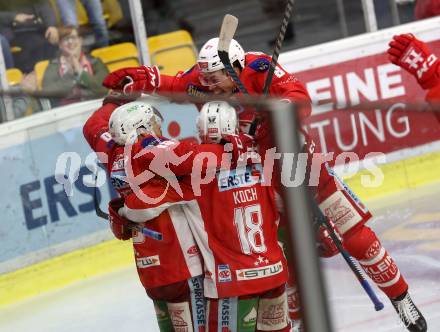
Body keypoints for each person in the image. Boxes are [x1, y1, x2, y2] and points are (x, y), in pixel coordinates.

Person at [102, 36, 428, 332]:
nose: (208, 86)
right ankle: (296, 322)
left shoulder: (260, 69)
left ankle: (401, 298)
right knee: (286, 255)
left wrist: (273, 114)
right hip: (262, 180)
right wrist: (147, 78)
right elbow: (176, 84)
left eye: (214, 78)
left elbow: (300, 100)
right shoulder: (204, 81)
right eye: (204, 78)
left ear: (235, 69)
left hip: (300, 164)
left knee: (355, 235)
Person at [118, 101, 292, 331]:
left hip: (233, 282)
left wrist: (121, 212)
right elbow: (286, 203)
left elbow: (139, 206)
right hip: (274, 273)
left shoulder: (195, 177)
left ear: (201, 132)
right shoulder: (262, 161)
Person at [83, 97, 207, 331]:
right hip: (180, 262)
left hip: (151, 269)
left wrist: (113, 101)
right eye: (153, 122)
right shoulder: (147, 150)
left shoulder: (112, 155)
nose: (159, 127)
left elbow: (92, 128)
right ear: (141, 128)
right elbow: (197, 160)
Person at [42, 25, 108, 107]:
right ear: (60, 44)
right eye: (66, 39)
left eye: (73, 37)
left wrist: (80, 73)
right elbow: (47, 93)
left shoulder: (95, 62)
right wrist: (69, 75)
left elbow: (104, 89)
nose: (70, 42)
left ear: (80, 41)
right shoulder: (54, 66)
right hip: (67, 113)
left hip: (95, 108)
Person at [0, 1, 59, 72]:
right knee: (37, 46)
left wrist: (51, 25)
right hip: (14, 33)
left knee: (52, 45)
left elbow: (44, 7)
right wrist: (14, 17)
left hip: (37, 30)